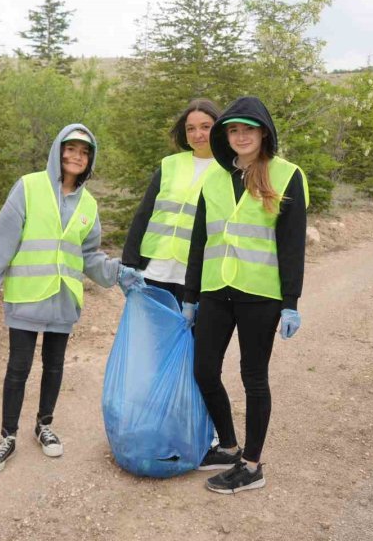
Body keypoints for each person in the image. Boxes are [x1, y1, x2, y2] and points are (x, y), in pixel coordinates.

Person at [0, 124, 145, 475]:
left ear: (90, 159)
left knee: (55, 365)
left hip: (64, 298)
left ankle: (44, 425)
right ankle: (8, 436)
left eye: (84, 151)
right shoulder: (28, 187)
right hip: (27, 296)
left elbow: (89, 255)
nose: (77, 156)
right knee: (18, 367)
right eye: (71, 148)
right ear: (58, 151)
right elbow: (4, 235)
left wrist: (117, 271)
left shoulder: (89, 204)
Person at [183, 96, 309, 493]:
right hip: (216, 290)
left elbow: (291, 245)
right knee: (204, 370)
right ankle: (229, 445)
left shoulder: (287, 175)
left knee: (253, 378)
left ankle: (252, 465)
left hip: (260, 293)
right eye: (233, 130)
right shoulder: (214, 178)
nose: (240, 136)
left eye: (247, 129)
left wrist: (291, 302)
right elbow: (199, 241)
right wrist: (191, 295)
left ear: (263, 133)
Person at [122, 99, 221, 306]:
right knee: (152, 336)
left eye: (205, 127)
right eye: (190, 128)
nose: (197, 134)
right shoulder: (170, 164)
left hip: (196, 275)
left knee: (189, 337)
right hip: (154, 269)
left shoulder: (228, 171)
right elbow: (144, 214)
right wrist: (129, 263)